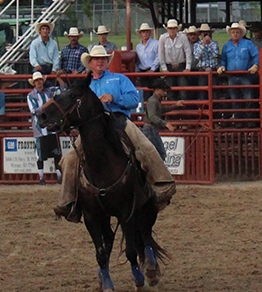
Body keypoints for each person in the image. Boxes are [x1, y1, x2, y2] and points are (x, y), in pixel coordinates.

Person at [54, 45, 176, 223]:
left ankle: (163, 184)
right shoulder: (85, 86)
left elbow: (134, 100)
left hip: (118, 121)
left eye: (103, 58)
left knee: (145, 146)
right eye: (97, 59)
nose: (101, 61)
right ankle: (68, 201)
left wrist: (114, 98)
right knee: (70, 159)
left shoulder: (120, 79)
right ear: (91, 63)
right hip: (93, 129)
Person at [26, 71, 64, 184]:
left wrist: (59, 78)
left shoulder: (49, 91)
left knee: (56, 152)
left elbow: (63, 89)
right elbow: (34, 111)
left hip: (50, 127)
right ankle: (42, 177)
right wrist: (48, 104)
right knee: (41, 154)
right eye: (37, 81)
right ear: (34, 83)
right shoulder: (31, 96)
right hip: (40, 128)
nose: (39, 82)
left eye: (40, 80)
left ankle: (57, 175)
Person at [218, 22, 259, 120]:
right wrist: (222, 66)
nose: (235, 34)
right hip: (232, 76)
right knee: (234, 99)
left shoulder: (248, 43)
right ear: (230, 34)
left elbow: (256, 55)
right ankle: (238, 119)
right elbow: (223, 58)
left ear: (241, 33)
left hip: (245, 75)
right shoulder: (227, 46)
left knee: (248, 98)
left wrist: (255, 65)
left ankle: (249, 119)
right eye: (233, 32)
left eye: (237, 32)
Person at [143, 78, 184, 160]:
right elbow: (152, 117)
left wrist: (175, 106)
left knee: (154, 153)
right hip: (151, 129)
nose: (165, 91)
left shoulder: (154, 100)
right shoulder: (153, 101)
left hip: (150, 129)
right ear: (157, 90)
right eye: (163, 89)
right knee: (160, 153)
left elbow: (161, 110)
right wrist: (166, 124)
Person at [159, 19, 192, 100]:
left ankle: (182, 110)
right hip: (169, 67)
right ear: (167, 29)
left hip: (181, 66)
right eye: (170, 28)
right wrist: (164, 69)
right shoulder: (162, 38)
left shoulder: (183, 37)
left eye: (174, 28)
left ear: (177, 29)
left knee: (183, 90)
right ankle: (172, 110)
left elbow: (188, 52)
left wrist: (187, 68)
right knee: (170, 90)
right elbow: (161, 54)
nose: (172, 30)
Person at [193, 23, 219, 101]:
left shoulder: (214, 43)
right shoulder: (197, 45)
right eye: (203, 32)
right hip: (202, 71)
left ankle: (216, 112)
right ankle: (203, 111)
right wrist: (203, 44)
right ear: (200, 34)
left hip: (213, 70)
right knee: (203, 93)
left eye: (207, 32)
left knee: (215, 93)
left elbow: (216, 54)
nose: (205, 34)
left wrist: (209, 44)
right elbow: (197, 56)